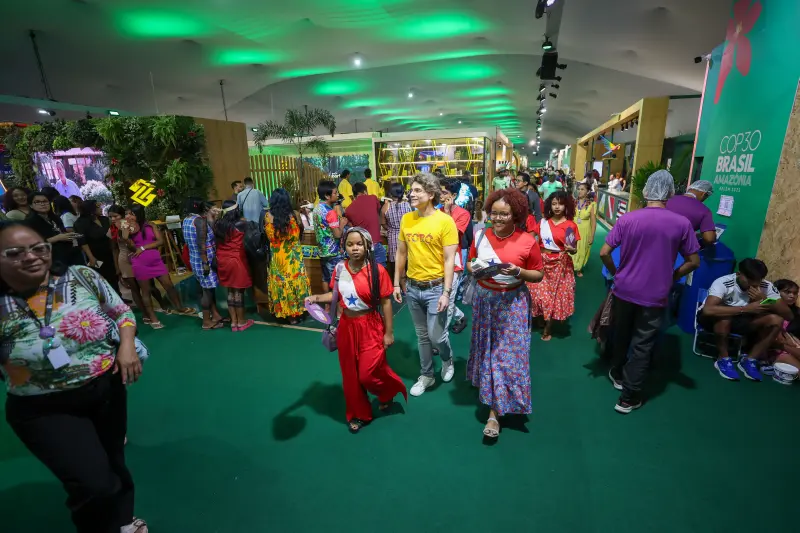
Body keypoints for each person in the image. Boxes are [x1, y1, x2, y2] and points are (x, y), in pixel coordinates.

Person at [0, 222, 147, 533]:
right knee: (93, 483)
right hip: (42, 406)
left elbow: (121, 312)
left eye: (38, 248)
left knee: (113, 461)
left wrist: (127, 346)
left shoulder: (82, 276)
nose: (31, 256)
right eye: (14, 252)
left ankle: (124, 520)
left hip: (106, 388)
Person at [600, 170, 701, 414]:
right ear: (670, 192)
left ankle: (617, 373)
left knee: (622, 333)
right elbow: (694, 261)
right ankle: (627, 398)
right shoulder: (681, 223)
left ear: (646, 191)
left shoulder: (628, 219)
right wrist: (672, 276)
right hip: (655, 294)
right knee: (642, 344)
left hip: (624, 289)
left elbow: (604, 252)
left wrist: (616, 273)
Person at [306, 227, 407, 433]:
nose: (354, 248)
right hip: (346, 326)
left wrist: (389, 332)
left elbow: (386, 303)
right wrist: (316, 297)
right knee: (350, 375)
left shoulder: (377, 271)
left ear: (368, 246)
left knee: (367, 374)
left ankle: (386, 392)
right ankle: (359, 414)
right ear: (344, 246)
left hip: (370, 325)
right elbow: (336, 295)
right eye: (350, 244)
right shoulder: (339, 269)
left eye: (359, 244)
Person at [466, 188, 543, 439]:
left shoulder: (527, 241)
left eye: (504, 214)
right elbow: (470, 262)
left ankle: (495, 412)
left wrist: (518, 272)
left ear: (516, 214)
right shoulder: (480, 235)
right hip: (485, 302)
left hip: (513, 304)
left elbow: (538, 274)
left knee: (507, 356)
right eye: (494, 213)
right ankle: (492, 398)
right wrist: (475, 269)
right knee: (487, 351)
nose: (497, 218)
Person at [393, 173, 459, 397]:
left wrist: (446, 292)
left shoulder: (445, 221)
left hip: (436, 288)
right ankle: (427, 375)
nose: (411, 194)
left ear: (431, 194)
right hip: (413, 288)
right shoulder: (407, 219)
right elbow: (401, 253)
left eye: (417, 190)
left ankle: (447, 359)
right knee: (422, 335)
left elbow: (449, 260)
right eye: (411, 190)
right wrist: (396, 283)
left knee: (436, 336)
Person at [699, 259, 793, 381]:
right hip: (712, 319)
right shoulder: (724, 282)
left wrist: (764, 299)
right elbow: (708, 310)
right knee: (724, 317)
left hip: (742, 320)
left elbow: (789, 316)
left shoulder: (766, 286)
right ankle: (723, 359)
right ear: (739, 274)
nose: (754, 284)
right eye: (750, 279)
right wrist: (745, 309)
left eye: (758, 280)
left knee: (776, 320)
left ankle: (749, 360)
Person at [123, 205, 194, 328]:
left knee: (169, 285)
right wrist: (126, 232)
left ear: (138, 214)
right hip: (140, 263)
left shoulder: (150, 225)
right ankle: (153, 319)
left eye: (131, 214)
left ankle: (180, 307)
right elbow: (129, 245)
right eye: (127, 214)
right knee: (146, 291)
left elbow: (160, 241)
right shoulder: (127, 227)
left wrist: (143, 247)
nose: (128, 216)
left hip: (156, 261)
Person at [528, 190, 579, 341]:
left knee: (555, 296)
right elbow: (530, 238)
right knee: (536, 292)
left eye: (561, 204)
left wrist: (572, 249)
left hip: (560, 264)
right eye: (554, 203)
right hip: (541, 261)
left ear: (566, 206)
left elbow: (574, 249)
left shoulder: (570, 226)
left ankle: (548, 327)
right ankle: (539, 318)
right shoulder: (543, 223)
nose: (557, 207)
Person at [108, 205, 168, 324]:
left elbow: (144, 240)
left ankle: (163, 306)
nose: (113, 219)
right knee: (135, 289)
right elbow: (114, 249)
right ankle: (146, 314)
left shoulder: (134, 224)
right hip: (125, 260)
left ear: (123, 215)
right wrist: (117, 267)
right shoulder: (112, 229)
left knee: (149, 286)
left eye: (116, 216)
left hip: (139, 257)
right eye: (110, 217)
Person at [265, 188, 311, 325]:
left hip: (278, 258)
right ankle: (299, 311)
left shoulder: (268, 217)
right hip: (294, 257)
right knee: (296, 281)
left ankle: (286, 313)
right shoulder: (294, 215)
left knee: (281, 283)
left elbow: (268, 237)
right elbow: (301, 233)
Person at [182, 199, 225, 330]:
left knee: (208, 289)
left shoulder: (187, 220)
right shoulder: (199, 221)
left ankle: (215, 315)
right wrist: (206, 263)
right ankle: (206, 321)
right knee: (207, 292)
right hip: (204, 259)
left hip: (194, 258)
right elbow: (202, 244)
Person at [214, 201, 255, 332]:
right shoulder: (241, 224)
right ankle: (242, 322)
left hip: (223, 260)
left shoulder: (218, 224)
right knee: (238, 292)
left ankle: (234, 322)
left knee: (230, 291)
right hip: (236, 260)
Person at [26, 191, 93, 268]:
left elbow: (63, 233)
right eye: (37, 202)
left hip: (71, 254)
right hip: (53, 260)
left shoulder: (55, 218)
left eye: (45, 201)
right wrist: (57, 238)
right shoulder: (29, 222)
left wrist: (69, 236)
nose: (42, 204)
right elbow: (32, 245)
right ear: (31, 205)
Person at [440, 178, 471, 334]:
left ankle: (441, 336)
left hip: (453, 262)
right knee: (440, 299)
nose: (440, 195)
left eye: (444, 192)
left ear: (453, 195)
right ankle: (460, 316)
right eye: (439, 192)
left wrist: (446, 212)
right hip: (435, 262)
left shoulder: (463, 214)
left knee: (448, 300)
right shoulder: (435, 212)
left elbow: (452, 235)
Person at [73, 200, 118, 293]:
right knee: (102, 279)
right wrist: (91, 257)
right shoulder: (80, 223)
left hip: (109, 252)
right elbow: (83, 242)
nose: (101, 208)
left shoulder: (104, 219)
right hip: (95, 255)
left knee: (113, 276)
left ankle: (118, 296)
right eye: (98, 207)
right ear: (91, 209)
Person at [313, 180, 346, 297]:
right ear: (327, 196)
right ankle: (336, 306)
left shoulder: (316, 209)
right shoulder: (330, 212)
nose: (337, 195)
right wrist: (342, 224)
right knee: (336, 280)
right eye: (335, 193)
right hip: (333, 252)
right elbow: (337, 234)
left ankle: (327, 304)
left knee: (325, 278)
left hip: (322, 250)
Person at [345, 182, 386, 266]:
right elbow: (379, 212)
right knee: (381, 269)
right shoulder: (373, 198)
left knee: (364, 270)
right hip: (375, 243)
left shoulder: (348, 209)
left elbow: (351, 226)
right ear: (365, 191)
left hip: (361, 246)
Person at [665, 179, 716, 245]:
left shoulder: (668, 200)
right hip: (676, 247)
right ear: (703, 194)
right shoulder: (704, 210)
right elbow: (709, 238)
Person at [382, 182, 411, 279]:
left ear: (391, 193)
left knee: (395, 263)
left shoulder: (386, 206)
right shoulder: (408, 205)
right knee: (407, 261)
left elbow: (383, 223)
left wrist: (390, 228)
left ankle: (397, 282)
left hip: (392, 236)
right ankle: (406, 283)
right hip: (406, 235)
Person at [770, 279, 800, 370]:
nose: (792, 296)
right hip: (776, 352)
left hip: (792, 348)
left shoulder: (798, 313)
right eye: (787, 292)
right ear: (776, 292)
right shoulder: (769, 312)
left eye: (795, 293)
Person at [573, 183, 597, 277]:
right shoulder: (573, 202)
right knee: (572, 249)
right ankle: (571, 267)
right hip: (573, 230)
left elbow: (593, 222)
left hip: (585, 231)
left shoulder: (591, 204)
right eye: (579, 189)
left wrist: (592, 236)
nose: (580, 191)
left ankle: (579, 268)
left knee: (582, 249)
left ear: (587, 191)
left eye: (582, 189)